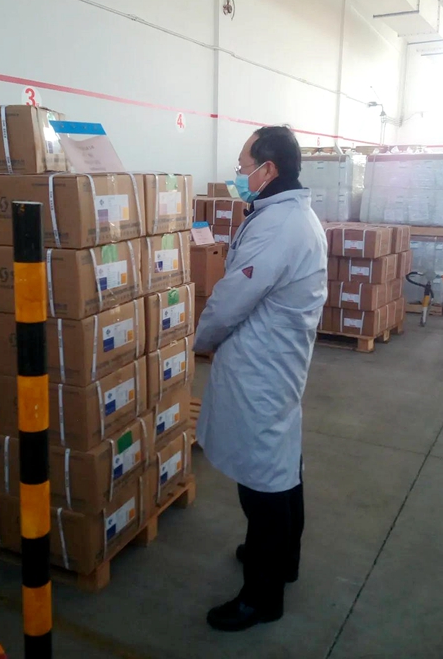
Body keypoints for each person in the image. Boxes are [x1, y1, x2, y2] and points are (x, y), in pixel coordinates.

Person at [194, 125, 328, 632]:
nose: (239, 175)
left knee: (263, 481)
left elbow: (232, 300)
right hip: (278, 360)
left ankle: (262, 596)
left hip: (263, 366)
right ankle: (282, 559)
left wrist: (199, 339)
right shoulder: (288, 214)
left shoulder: (279, 226)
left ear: (268, 170)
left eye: (243, 166)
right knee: (281, 463)